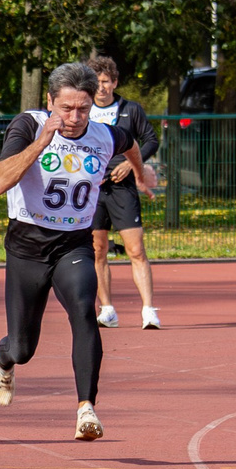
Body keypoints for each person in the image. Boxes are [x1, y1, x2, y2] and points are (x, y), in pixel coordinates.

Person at [0, 62, 141, 440]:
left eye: (83, 109)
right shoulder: (27, 125)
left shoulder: (105, 136)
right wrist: (41, 142)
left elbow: (131, 143)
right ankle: (3, 357)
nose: (74, 118)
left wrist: (141, 171)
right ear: (50, 101)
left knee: (83, 310)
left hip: (73, 244)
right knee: (24, 348)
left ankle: (86, 409)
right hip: (26, 246)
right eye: (66, 108)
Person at [87, 54, 161, 328]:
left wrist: (132, 165)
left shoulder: (131, 109)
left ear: (115, 82)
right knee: (98, 250)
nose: (101, 87)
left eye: (106, 81)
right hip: (93, 190)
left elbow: (150, 140)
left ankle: (148, 310)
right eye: (96, 82)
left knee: (136, 249)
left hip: (123, 189)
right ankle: (107, 309)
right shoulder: (83, 111)